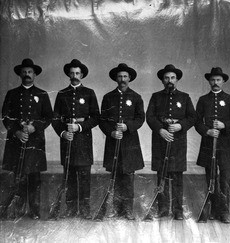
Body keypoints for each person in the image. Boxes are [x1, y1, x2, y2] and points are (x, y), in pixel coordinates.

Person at [1, 58, 53, 220]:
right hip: (17, 142)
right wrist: (16, 132)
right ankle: (17, 210)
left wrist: (34, 127)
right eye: (24, 72)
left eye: (30, 72)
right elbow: (5, 116)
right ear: (20, 74)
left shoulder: (42, 94)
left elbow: (48, 117)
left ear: (35, 74)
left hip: (35, 142)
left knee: (34, 177)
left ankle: (35, 210)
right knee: (18, 176)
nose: (27, 74)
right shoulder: (12, 94)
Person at [146, 64, 196, 220]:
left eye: (172, 78)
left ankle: (177, 210)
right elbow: (150, 117)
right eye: (166, 78)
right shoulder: (156, 97)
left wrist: (180, 125)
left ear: (177, 80)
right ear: (162, 80)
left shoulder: (185, 97)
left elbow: (192, 117)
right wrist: (161, 130)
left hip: (178, 142)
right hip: (161, 141)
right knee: (162, 176)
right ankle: (162, 209)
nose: (170, 80)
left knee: (177, 177)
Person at [52, 59, 100, 219]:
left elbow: (96, 118)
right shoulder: (62, 94)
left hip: (83, 141)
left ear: (82, 75)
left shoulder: (89, 93)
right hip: (67, 140)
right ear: (68, 74)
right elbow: (55, 119)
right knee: (69, 176)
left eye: (77, 73)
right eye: (72, 73)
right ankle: (71, 209)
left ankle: (85, 210)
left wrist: (80, 127)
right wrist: (63, 133)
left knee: (85, 177)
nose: (74, 76)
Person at [99, 63, 145, 220]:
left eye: (125, 76)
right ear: (115, 78)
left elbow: (141, 118)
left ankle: (128, 210)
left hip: (130, 144)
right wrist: (111, 132)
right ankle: (116, 210)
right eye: (120, 76)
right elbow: (102, 120)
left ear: (129, 78)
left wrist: (128, 126)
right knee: (115, 177)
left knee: (128, 179)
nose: (122, 79)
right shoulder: (108, 97)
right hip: (113, 142)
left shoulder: (136, 97)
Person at [195, 67, 230, 223]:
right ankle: (213, 210)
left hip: (225, 145)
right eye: (213, 80)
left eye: (218, 80)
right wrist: (207, 131)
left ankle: (225, 211)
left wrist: (224, 125)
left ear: (223, 81)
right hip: (208, 144)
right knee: (211, 178)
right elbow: (196, 122)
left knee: (225, 179)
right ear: (209, 81)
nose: (215, 82)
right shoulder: (203, 100)